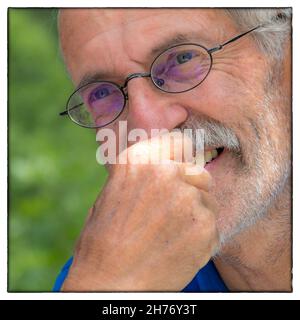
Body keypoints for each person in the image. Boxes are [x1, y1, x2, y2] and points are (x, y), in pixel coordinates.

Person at [54, 8, 292, 292]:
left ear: (287, 54)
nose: (149, 126)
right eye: (102, 93)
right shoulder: (107, 275)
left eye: (183, 58)